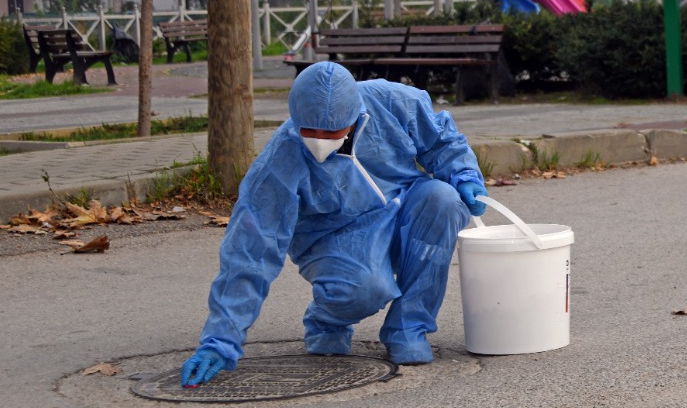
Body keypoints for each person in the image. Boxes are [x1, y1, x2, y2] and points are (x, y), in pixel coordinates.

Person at [178, 62, 487, 387]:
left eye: (331, 132)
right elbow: (251, 250)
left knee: (444, 199)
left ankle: (409, 327)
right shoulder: (279, 160)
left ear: (354, 116)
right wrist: (220, 340)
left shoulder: (393, 102)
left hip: (403, 211)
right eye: (309, 131)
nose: (319, 140)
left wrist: (465, 175)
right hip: (334, 238)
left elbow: (442, 142)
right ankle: (327, 319)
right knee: (364, 290)